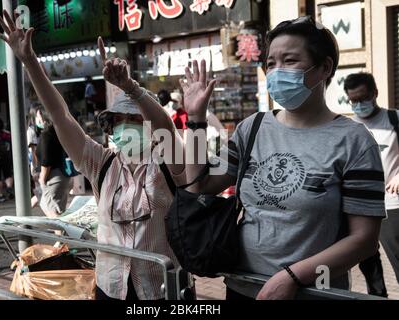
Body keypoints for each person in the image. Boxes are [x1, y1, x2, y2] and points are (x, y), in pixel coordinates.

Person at [113, 16, 386, 299]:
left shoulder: (354, 141)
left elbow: (364, 240)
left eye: (290, 60)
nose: (277, 72)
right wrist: (195, 120)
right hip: (242, 287)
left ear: (324, 68)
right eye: (271, 63)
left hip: (313, 293)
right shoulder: (252, 127)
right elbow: (200, 185)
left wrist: (292, 277)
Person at [0, 10, 184, 300]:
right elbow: (60, 116)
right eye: (115, 121)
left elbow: (166, 129)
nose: (121, 127)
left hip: (160, 292)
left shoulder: (167, 162)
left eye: (131, 119)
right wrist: (30, 62)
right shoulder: (102, 163)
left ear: (146, 124)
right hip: (111, 289)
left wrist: (130, 88)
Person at [345, 72, 399, 291]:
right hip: (360, 205)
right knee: (368, 261)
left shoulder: (394, 119)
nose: (359, 104)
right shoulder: (347, 128)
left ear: (375, 94)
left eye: (363, 98)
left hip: (391, 202)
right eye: (353, 101)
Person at [34, 107, 71, 218]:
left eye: (38, 116)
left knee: (55, 216)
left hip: (52, 178)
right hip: (61, 176)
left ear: (44, 118)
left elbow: (46, 161)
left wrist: (42, 179)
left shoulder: (46, 135)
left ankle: (64, 235)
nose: (37, 119)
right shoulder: (58, 132)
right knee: (57, 212)